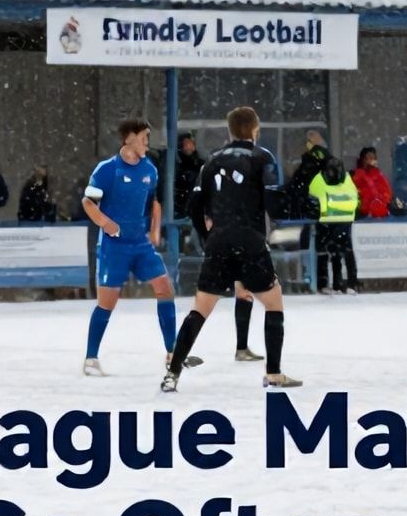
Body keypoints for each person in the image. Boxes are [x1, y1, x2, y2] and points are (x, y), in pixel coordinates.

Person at [163, 106, 301, 392]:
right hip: (250, 239)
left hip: (219, 240)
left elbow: (194, 206)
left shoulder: (211, 161)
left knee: (199, 310)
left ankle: (173, 373)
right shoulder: (263, 158)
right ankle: (273, 373)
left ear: (229, 130)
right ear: (255, 129)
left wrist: (208, 236)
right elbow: (274, 201)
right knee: (273, 303)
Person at [80, 120, 200, 377]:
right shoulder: (107, 170)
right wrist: (106, 223)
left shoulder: (149, 169)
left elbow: (154, 202)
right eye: (144, 136)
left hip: (141, 244)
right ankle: (91, 358)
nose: (147, 141)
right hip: (114, 247)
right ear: (129, 138)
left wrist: (155, 228)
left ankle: (172, 353)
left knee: (165, 289)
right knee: (107, 303)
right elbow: (88, 202)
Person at [309, 155, 360, 294]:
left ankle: (324, 284)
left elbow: (311, 194)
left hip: (326, 218)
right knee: (344, 250)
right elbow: (355, 196)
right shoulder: (347, 178)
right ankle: (349, 284)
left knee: (324, 251)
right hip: (345, 218)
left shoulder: (318, 179)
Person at [351, 147, 393, 219]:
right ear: (362, 159)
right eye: (369, 157)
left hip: (382, 215)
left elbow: (388, 194)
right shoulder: (355, 176)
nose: (372, 160)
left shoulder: (380, 175)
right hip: (363, 216)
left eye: (374, 158)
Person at [172, 133, 204, 221]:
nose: (191, 144)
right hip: (183, 206)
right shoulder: (178, 164)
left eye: (191, 142)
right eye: (187, 143)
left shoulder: (200, 162)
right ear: (181, 147)